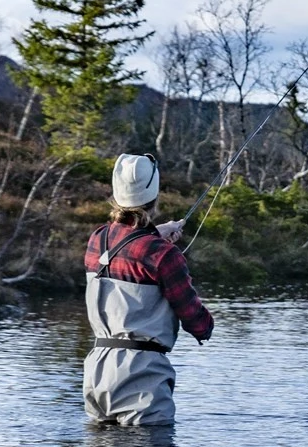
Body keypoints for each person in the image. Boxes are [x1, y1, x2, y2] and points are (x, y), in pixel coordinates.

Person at [84, 154, 214, 426]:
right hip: (141, 374)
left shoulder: (98, 239)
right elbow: (195, 320)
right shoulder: (162, 254)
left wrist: (157, 232)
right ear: (154, 197)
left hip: (96, 372)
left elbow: (129, 247)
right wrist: (206, 325)